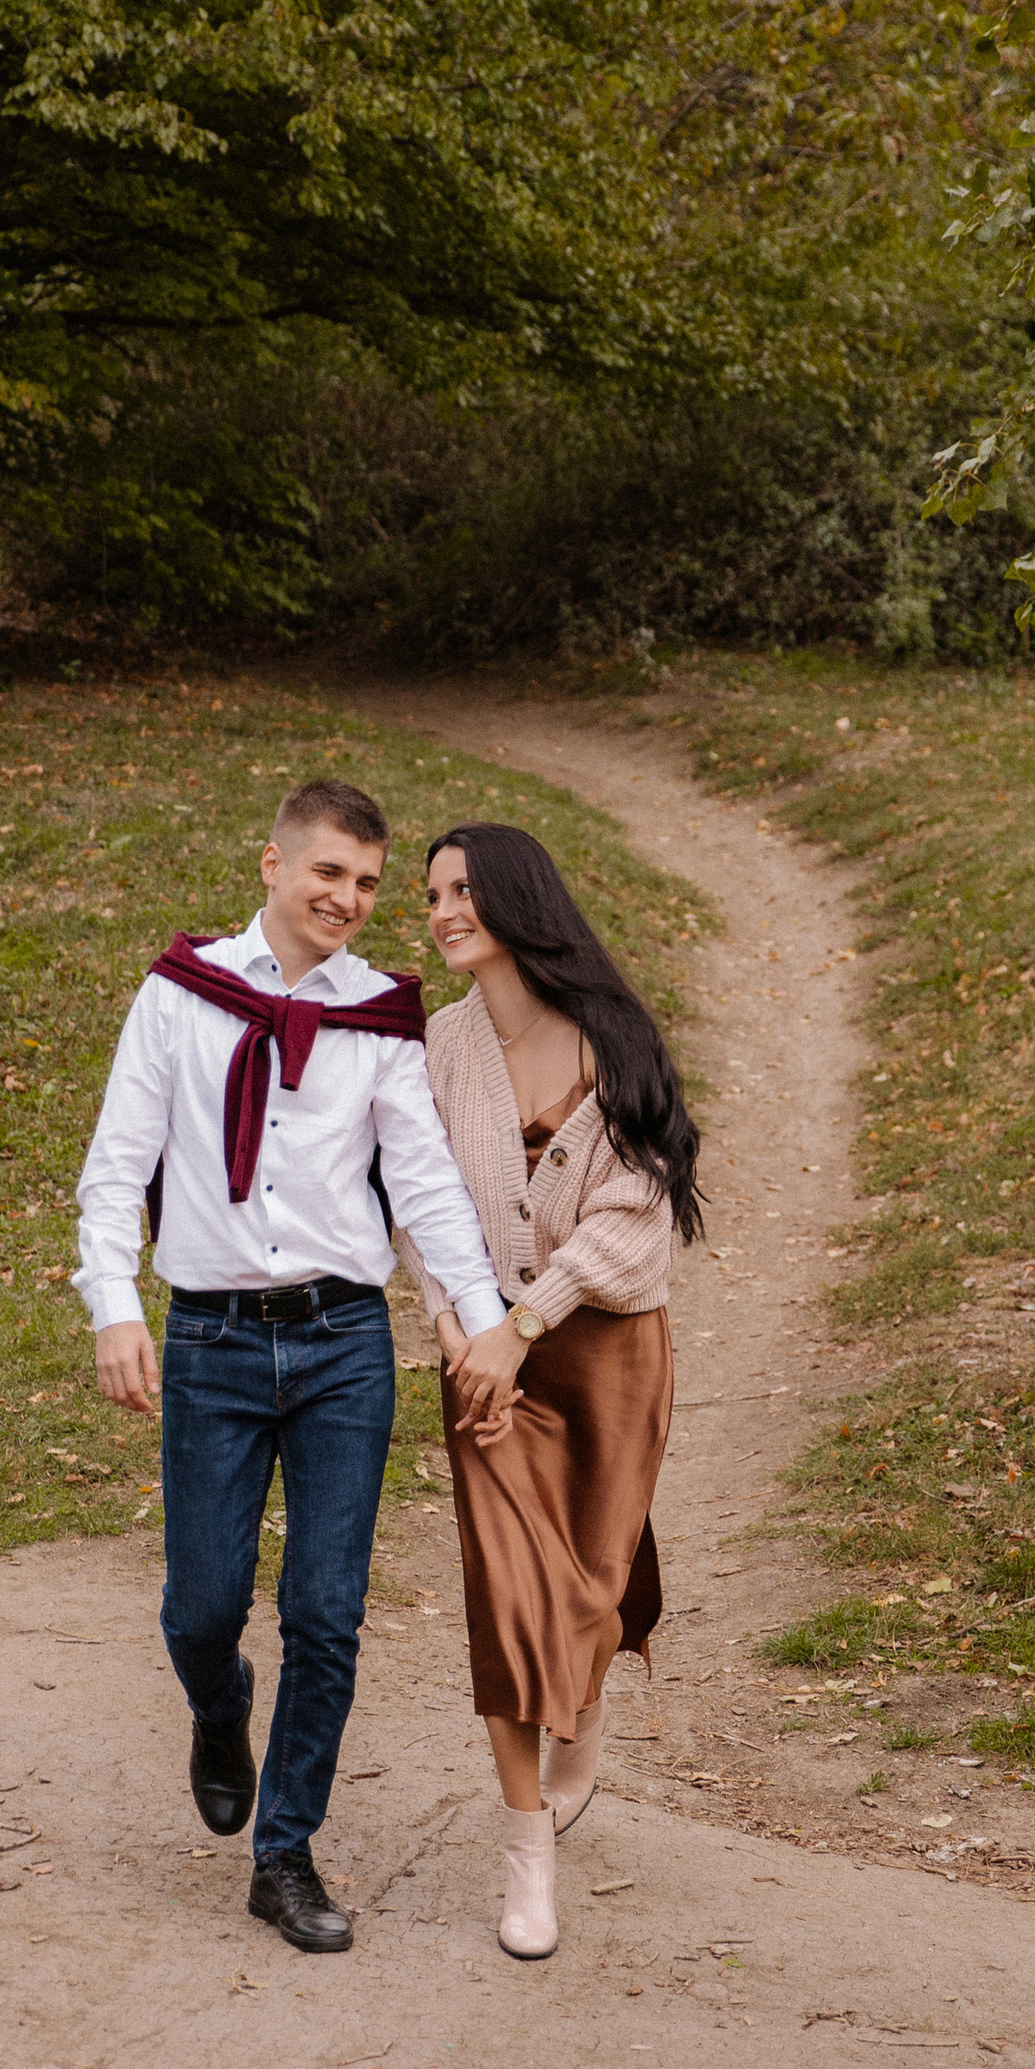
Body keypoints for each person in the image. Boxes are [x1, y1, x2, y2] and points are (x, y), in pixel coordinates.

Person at [73, 778, 511, 1954]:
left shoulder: (378, 1019)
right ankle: (221, 1714)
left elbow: (423, 1185)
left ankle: (285, 1854)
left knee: (326, 1612)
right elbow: (118, 1162)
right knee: (201, 1607)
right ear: (272, 865)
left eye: (369, 884)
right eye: (330, 873)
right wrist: (116, 1306)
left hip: (340, 1344)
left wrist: (476, 1315)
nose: (349, 901)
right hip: (211, 1340)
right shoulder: (180, 996)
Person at [411, 822, 703, 1961]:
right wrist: (458, 1330)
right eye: (431, 894)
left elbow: (635, 1225)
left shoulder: (614, 1039)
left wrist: (528, 1322)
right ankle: (524, 1844)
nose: (441, 910)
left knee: (586, 1579)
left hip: (602, 1352)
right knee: (505, 1587)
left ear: (521, 899)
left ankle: (581, 1712)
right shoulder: (439, 1047)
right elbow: (416, 1199)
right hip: (484, 1357)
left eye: (463, 889)